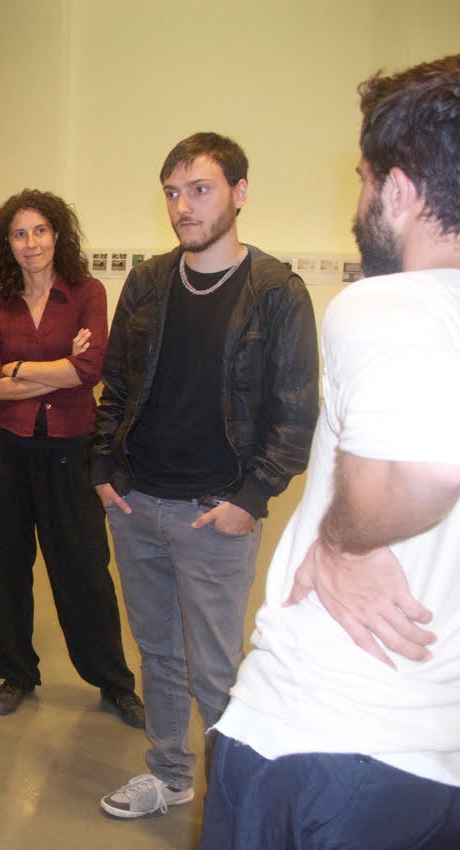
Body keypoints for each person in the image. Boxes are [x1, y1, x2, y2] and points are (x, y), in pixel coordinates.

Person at [202, 54, 460, 848]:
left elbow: (430, 468)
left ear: (400, 191)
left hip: (320, 741)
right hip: (434, 760)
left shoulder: (387, 305)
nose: (357, 204)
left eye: (362, 181)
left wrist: (346, 540)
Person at [92, 133, 319, 818]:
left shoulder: (276, 292)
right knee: (158, 654)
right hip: (137, 504)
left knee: (218, 670)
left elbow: (296, 411)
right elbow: (116, 383)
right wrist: (104, 468)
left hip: (214, 514)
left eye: (200, 189)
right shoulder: (148, 282)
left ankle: (232, 802)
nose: (183, 206)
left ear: (239, 194)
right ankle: (168, 775)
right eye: (172, 192)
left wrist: (250, 499)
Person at [0, 190, 144, 728]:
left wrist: (18, 368)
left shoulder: (88, 292)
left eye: (40, 230)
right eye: (19, 234)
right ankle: (16, 673)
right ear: (7, 244)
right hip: (5, 453)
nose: (31, 243)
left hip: (70, 450)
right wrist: (57, 367)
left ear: (58, 235)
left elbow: (90, 371)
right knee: (3, 570)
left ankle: (113, 682)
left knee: (85, 572)